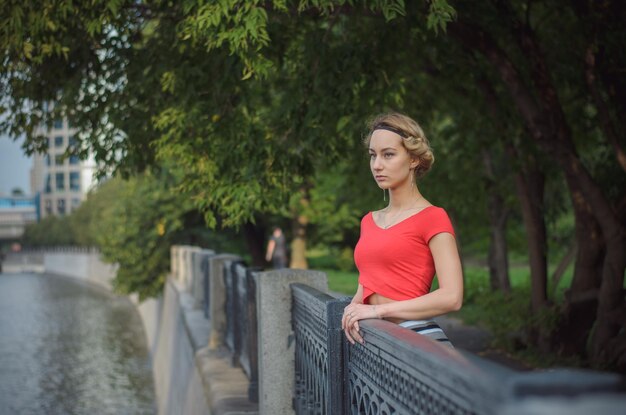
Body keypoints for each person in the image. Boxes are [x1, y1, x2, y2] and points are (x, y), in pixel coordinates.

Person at [341, 112, 463, 348]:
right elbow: (366, 286)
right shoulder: (368, 221)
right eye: (373, 155)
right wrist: (350, 311)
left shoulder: (433, 217)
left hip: (416, 342)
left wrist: (378, 311)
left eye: (388, 154)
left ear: (413, 159)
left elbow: (452, 297)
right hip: (376, 342)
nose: (377, 165)